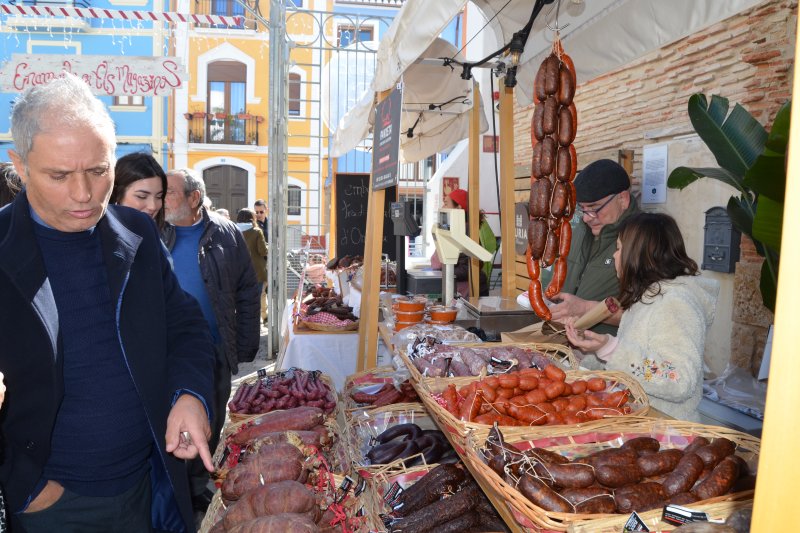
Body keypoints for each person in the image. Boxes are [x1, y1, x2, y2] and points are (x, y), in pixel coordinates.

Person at [0, 74, 216, 533]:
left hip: (149, 485)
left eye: (99, 171)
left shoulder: (137, 233)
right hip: (50, 507)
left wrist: (189, 394)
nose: (84, 194)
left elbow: (185, 327)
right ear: (19, 164)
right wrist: (25, 486)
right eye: (59, 175)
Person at [162, 168, 260, 512]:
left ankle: (195, 484)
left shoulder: (226, 233)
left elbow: (247, 289)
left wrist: (246, 342)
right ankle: (174, 487)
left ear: (193, 198)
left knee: (212, 418)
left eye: (169, 192)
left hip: (215, 347)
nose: (161, 199)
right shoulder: (153, 231)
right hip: (167, 348)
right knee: (170, 417)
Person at [564, 213, 719, 421]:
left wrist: (609, 348)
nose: (615, 256)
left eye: (619, 248)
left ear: (638, 254)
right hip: (641, 424)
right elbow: (634, 360)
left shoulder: (675, 303)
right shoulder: (646, 298)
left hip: (666, 432)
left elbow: (677, 379)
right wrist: (587, 356)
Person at [548, 159, 641, 335]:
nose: (586, 217)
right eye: (582, 209)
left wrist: (585, 308)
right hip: (564, 342)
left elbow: (649, 316)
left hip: (613, 349)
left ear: (622, 199)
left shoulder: (645, 240)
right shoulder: (580, 230)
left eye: (594, 208)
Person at [430, 188, 490, 297]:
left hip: (468, 292)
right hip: (456, 289)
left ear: (458, 208)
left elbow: (469, 267)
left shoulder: (465, 231)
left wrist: (444, 271)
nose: (442, 207)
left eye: (446, 204)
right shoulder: (452, 229)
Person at [110, 152, 167, 228]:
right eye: (142, 196)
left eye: (159, 197)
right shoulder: (99, 233)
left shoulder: (166, 232)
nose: (153, 206)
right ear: (117, 193)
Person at [236, 208, 268, 323]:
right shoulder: (256, 231)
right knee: (257, 298)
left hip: (238, 271)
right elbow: (263, 251)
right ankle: (256, 321)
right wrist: (268, 246)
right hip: (256, 271)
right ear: (252, 218)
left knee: (240, 299)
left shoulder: (233, 230)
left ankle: (242, 321)